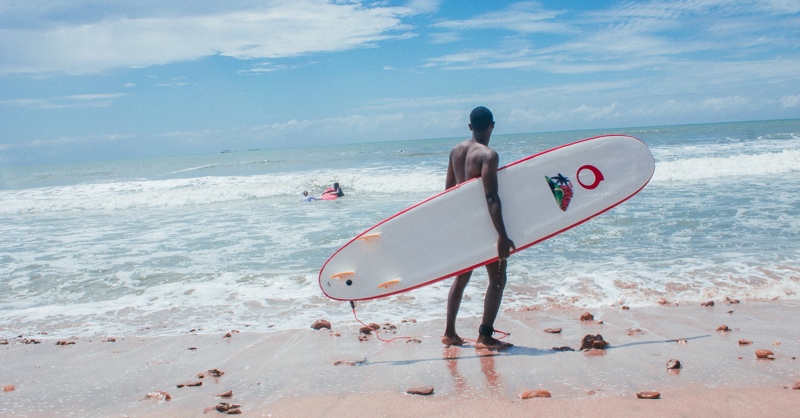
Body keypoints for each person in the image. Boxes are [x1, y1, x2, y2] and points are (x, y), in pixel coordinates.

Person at [441, 106, 516, 351]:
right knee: (497, 278)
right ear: (492, 125)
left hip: (464, 225)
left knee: (461, 278)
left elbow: (449, 193)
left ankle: (450, 333)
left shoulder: (456, 151)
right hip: (484, 226)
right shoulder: (488, 156)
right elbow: (491, 197)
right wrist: (502, 235)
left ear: (470, 126)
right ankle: (485, 336)